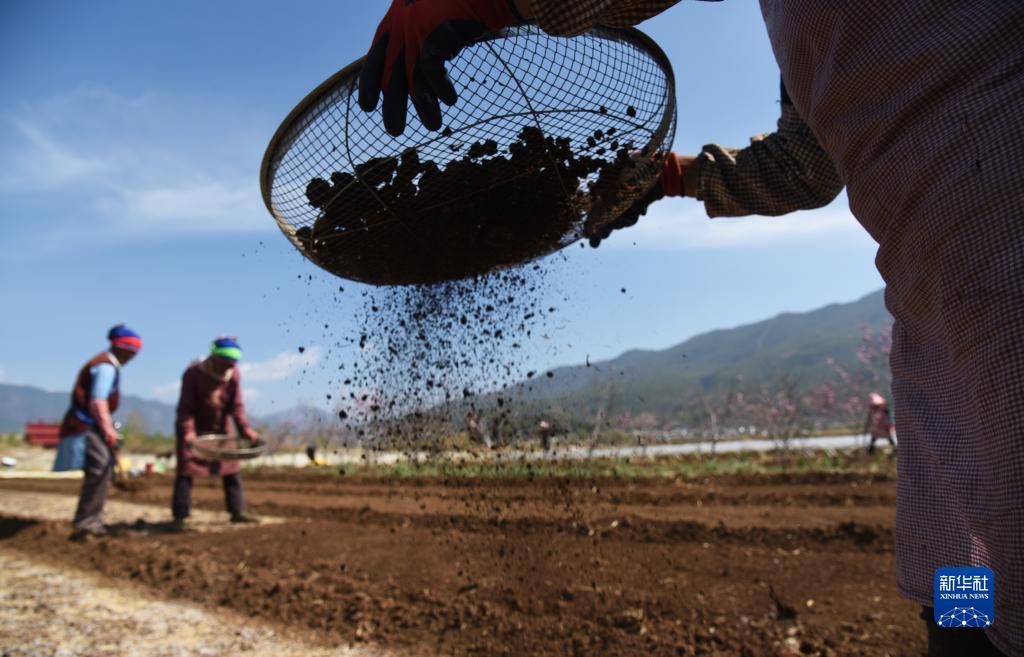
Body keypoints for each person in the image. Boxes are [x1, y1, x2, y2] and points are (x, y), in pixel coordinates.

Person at [357, 3, 1024, 655]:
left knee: (1011, 563)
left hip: (1002, 242)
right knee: (965, 570)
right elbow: (807, 163)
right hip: (937, 320)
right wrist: (673, 177)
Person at [60, 325, 142, 539]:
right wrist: (108, 430)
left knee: (102, 470)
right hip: (87, 424)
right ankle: (87, 523)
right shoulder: (105, 367)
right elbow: (98, 401)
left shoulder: (105, 364)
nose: (132, 357)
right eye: (131, 352)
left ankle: (92, 519)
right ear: (121, 348)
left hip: (91, 424)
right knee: (99, 470)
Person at [172, 337, 261, 530]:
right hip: (194, 428)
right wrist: (188, 433)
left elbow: (236, 406)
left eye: (232, 364)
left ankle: (238, 511)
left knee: (231, 468)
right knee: (186, 470)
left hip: (221, 427)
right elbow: (186, 408)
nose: (228, 367)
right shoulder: (193, 373)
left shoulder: (234, 375)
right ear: (214, 358)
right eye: (225, 363)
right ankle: (180, 517)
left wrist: (245, 429)